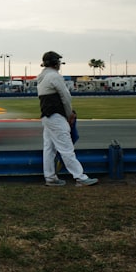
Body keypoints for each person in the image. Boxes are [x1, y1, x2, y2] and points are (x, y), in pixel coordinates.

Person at [36, 51, 98, 187]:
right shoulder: (54, 76)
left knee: (49, 148)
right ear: (55, 63)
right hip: (56, 117)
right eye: (58, 61)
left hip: (47, 117)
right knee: (66, 148)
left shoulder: (41, 77)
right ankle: (80, 177)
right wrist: (70, 114)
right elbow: (66, 97)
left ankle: (50, 177)